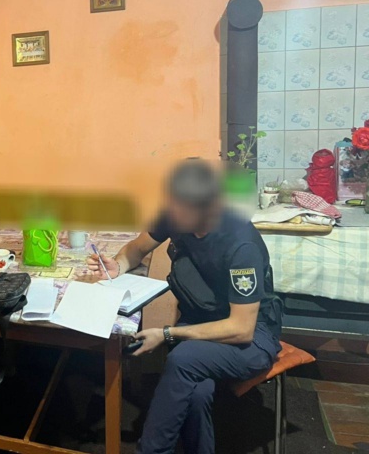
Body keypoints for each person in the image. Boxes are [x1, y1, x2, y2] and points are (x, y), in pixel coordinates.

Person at [88, 159, 282, 454]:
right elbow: (137, 248)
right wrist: (119, 265)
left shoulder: (241, 244)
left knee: (183, 359)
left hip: (253, 335)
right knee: (197, 391)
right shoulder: (177, 213)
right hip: (201, 319)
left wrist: (167, 334)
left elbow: (241, 329)